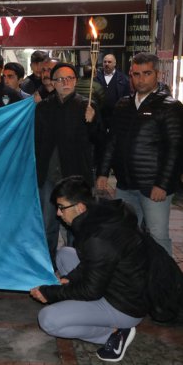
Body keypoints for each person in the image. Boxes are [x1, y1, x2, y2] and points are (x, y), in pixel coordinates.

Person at [31, 176, 147, 363]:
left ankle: (114, 333)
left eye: (62, 207)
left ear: (80, 207)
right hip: (120, 283)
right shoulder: (101, 213)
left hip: (125, 305)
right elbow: (92, 261)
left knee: (48, 319)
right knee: (65, 254)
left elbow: (91, 290)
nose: (58, 214)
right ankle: (100, 316)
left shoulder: (97, 238)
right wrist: (71, 278)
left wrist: (51, 293)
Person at [97, 53, 183, 255]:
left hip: (154, 186)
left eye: (147, 73)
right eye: (136, 74)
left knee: (157, 236)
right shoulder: (123, 104)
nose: (141, 79)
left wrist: (162, 184)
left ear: (158, 74)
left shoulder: (170, 107)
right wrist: (102, 172)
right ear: (130, 75)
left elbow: (175, 148)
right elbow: (113, 142)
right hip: (125, 184)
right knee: (126, 235)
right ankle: (136, 281)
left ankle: (165, 284)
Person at [35, 63, 100, 263]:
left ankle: (74, 266)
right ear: (52, 83)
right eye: (60, 79)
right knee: (48, 224)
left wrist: (93, 121)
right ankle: (49, 265)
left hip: (75, 178)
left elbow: (99, 140)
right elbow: (36, 140)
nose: (66, 83)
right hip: (48, 177)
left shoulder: (86, 105)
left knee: (77, 225)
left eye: (70, 78)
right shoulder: (44, 107)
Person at [95, 54, 130, 129]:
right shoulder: (96, 78)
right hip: (100, 115)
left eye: (109, 62)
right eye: (105, 62)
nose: (106, 64)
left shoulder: (123, 79)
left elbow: (127, 97)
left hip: (116, 115)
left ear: (115, 63)